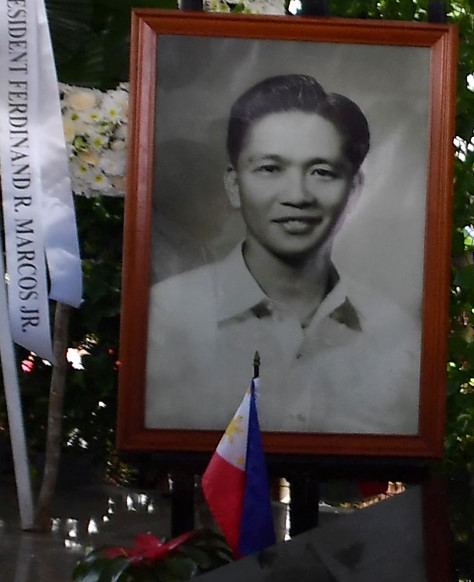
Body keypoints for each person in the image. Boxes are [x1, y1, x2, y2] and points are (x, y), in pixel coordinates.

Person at [144, 73, 421, 435]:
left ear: (353, 190)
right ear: (234, 186)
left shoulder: (397, 333)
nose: (297, 195)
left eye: (321, 171)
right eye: (270, 169)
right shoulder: (167, 316)